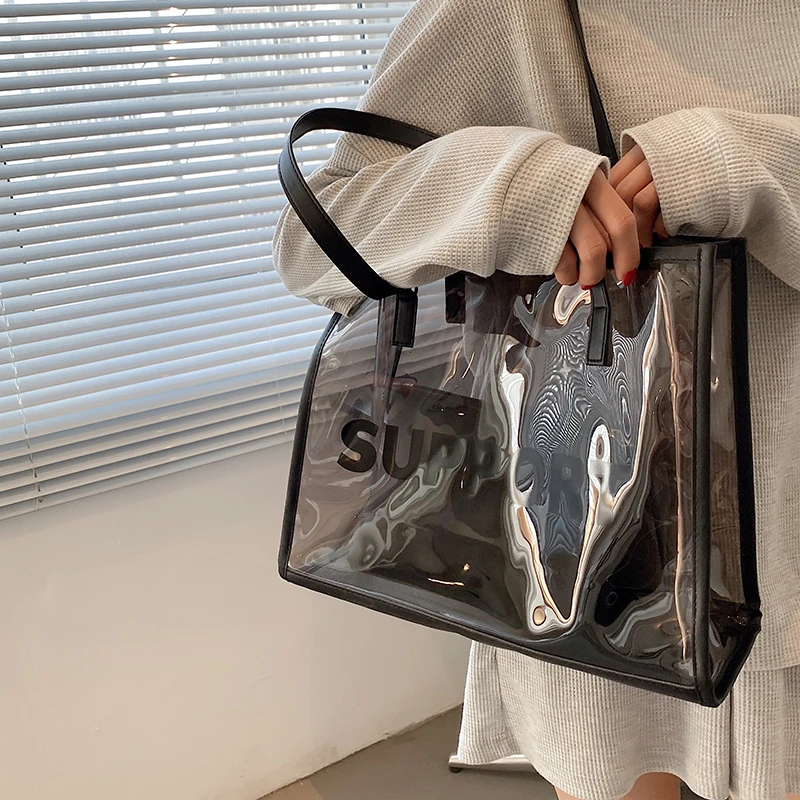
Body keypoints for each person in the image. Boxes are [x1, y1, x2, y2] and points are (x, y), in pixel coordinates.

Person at [273, 1, 800, 797]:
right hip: (591, 541)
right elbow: (313, 243)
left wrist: (745, 163)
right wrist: (510, 189)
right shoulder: (515, 10)